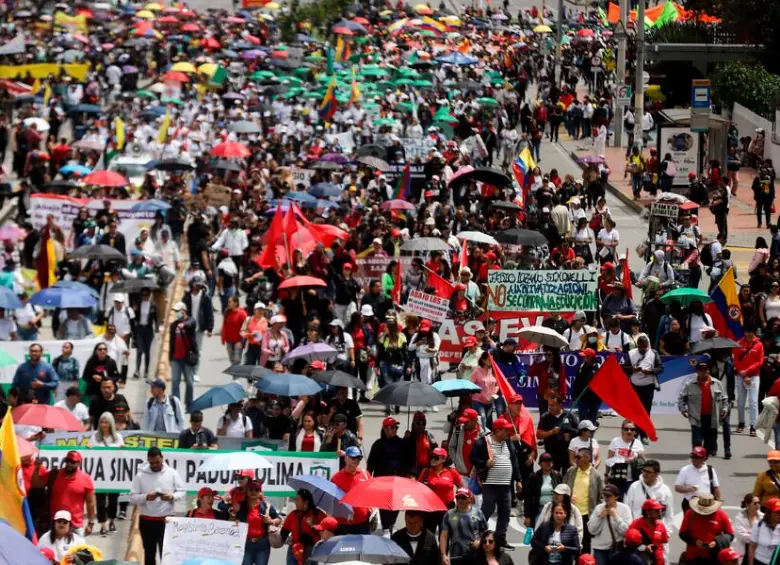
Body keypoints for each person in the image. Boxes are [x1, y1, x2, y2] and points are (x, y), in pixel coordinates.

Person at [470, 417, 522, 551]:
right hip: (490, 484)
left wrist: (518, 479)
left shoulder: (508, 442)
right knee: (487, 510)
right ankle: (478, 536)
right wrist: (484, 463)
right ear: (497, 430)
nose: (508, 433)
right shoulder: (483, 442)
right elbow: (473, 458)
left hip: (506, 485)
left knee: (505, 513)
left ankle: (500, 540)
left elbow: (514, 461)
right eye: (506, 430)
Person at [128, 447, 186, 565]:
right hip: (147, 520)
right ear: (148, 460)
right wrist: (146, 497)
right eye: (152, 463)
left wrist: (172, 497)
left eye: (157, 462)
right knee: (149, 554)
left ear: (162, 458)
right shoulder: (140, 476)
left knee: (166, 555)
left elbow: (182, 491)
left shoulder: (172, 473)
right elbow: (132, 497)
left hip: (166, 520)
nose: (155, 465)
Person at [678, 360, 728, 455]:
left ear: (709, 371)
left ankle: (707, 453)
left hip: (712, 415)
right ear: (697, 371)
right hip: (696, 416)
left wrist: (725, 409)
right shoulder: (689, 384)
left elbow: (724, 398)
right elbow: (681, 398)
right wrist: (683, 409)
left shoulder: (717, 383)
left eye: (705, 369)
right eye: (701, 370)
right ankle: (697, 455)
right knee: (697, 439)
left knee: (710, 438)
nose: (703, 372)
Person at [89, 412, 124, 536]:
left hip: (114, 474)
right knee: (100, 500)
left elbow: (122, 453)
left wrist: (122, 449)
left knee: (114, 499)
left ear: (111, 423)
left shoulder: (118, 437)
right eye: (102, 422)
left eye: (106, 422)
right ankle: (103, 524)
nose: (104, 425)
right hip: (100, 474)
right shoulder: (94, 437)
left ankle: (112, 521)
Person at [563, 446, 604, 553]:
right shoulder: (571, 471)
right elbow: (563, 488)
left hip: (587, 515)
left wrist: (597, 512)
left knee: (585, 544)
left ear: (587, 458)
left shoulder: (596, 475)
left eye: (578, 457)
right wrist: (567, 498)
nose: (575, 459)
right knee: (568, 542)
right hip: (570, 513)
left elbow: (601, 496)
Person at [625, 335, 663, 445]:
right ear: (638, 346)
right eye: (641, 348)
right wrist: (633, 369)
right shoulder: (631, 353)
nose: (643, 350)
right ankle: (634, 433)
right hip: (634, 386)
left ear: (647, 346)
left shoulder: (654, 353)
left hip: (648, 386)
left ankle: (643, 435)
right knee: (635, 411)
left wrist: (650, 371)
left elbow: (661, 367)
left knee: (646, 412)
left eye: (645, 348)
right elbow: (624, 368)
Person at [233, 479, 281, 565]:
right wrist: (234, 513)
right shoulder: (240, 506)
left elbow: (279, 519)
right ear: (247, 491)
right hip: (245, 544)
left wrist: (271, 521)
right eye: (251, 489)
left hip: (263, 544)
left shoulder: (266, 505)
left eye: (256, 489)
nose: (253, 492)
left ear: (260, 492)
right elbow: (231, 520)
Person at [679, 494, 734, 565]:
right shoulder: (689, 514)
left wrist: (717, 542)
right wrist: (695, 542)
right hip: (694, 556)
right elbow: (682, 533)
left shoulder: (721, 515)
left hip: (714, 557)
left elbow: (730, 535)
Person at [420, 446, 464, 533]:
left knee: (445, 535)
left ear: (443, 459)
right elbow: (418, 488)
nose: (433, 459)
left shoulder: (452, 472)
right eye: (431, 457)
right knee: (428, 535)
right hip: (429, 509)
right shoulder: (426, 472)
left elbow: (462, 488)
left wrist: (460, 503)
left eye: (436, 457)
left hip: (446, 508)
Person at [624, 459, 675, 533]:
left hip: (657, 532)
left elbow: (669, 513)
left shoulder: (665, 490)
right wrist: (631, 529)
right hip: (639, 531)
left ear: (656, 474)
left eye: (649, 472)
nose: (645, 474)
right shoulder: (634, 487)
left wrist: (667, 531)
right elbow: (627, 509)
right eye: (644, 471)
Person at [440, 487, 488, 565]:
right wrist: (443, 555)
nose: (460, 500)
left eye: (463, 497)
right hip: (456, 555)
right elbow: (444, 536)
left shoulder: (478, 513)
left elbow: (486, 533)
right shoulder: (449, 514)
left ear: (469, 499)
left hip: (475, 554)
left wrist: (480, 542)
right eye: (458, 497)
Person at [588, 484, 633, 565]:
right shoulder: (599, 508)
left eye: (609, 495)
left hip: (616, 548)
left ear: (616, 497)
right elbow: (591, 530)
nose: (606, 498)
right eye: (605, 495)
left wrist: (616, 517)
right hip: (600, 549)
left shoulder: (625, 508)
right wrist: (599, 517)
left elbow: (626, 531)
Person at [331, 446, 372, 534]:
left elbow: (370, 494)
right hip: (343, 523)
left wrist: (371, 507)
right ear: (345, 458)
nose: (356, 460)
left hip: (362, 523)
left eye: (359, 458)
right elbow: (331, 500)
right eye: (353, 457)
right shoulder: (336, 478)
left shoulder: (365, 474)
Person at [280, 489, 326, 565]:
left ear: (306, 502)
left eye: (297, 500)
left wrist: (313, 525)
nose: (295, 502)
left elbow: (326, 533)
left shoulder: (318, 514)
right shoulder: (293, 515)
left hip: (310, 550)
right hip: (294, 549)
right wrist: (288, 539)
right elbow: (283, 533)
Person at [733, 326, 764, 437]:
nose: (748, 334)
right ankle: (741, 423)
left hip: (754, 376)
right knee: (741, 401)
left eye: (750, 332)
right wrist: (742, 372)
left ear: (754, 333)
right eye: (746, 331)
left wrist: (747, 371)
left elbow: (760, 362)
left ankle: (753, 426)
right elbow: (736, 359)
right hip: (741, 375)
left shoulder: (759, 345)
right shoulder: (739, 343)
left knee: (753, 402)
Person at [537, 392, 579, 473]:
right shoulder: (545, 417)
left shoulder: (570, 416)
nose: (550, 407)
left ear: (560, 405)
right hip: (552, 455)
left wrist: (570, 436)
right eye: (549, 405)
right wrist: (551, 432)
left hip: (567, 455)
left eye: (552, 405)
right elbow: (538, 435)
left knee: (566, 482)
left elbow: (579, 432)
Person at [530, 501, 581, 565]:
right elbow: (533, 541)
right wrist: (544, 548)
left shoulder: (572, 530)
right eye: (556, 513)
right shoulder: (544, 526)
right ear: (552, 513)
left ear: (565, 514)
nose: (558, 515)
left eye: (561, 513)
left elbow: (577, 549)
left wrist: (564, 548)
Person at [605, 420, 646, 499]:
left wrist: (634, 459)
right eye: (626, 429)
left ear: (635, 432)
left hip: (632, 479)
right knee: (617, 501)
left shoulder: (638, 443)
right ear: (622, 430)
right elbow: (609, 460)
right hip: (617, 478)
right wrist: (606, 475)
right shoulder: (615, 441)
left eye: (632, 429)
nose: (629, 431)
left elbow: (643, 462)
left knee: (631, 502)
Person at [674, 447, 722, 513]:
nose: (693, 459)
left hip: (707, 505)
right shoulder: (685, 470)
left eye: (696, 457)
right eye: (692, 456)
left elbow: (716, 488)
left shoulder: (710, 470)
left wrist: (718, 506)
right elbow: (677, 487)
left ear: (704, 458)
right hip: (689, 505)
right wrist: (688, 489)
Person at [169, 301, 198, 408]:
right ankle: (176, 405)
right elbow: (171, 342)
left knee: (189, 382)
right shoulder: (173, 325)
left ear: (184, 311)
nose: (176, 313)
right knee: (175, 383)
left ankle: (189, 403)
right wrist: (170, 358)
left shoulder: (190, 322)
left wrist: (184, 324)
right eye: (175, 311)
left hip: (187, 358)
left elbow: (192, 323)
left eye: (178, 311)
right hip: (176, 358)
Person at [524, 452, 563, 528]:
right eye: (545, 461)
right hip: (538, 510)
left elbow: (562, 494)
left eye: (549, 461)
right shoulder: (533, 477)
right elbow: (528, 497)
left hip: (554, 510)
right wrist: (527, 516)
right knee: (538, 534)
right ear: (540, 464)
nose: (547, 463)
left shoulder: (557, 475)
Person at [628, 499, 670, 565]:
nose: (659, 513)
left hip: (658, 561)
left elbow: (665, 541)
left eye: (659, 510)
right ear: (648, 512)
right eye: (656, 510)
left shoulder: (661, 525)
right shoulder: (636, 524)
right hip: (641, 560)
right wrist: (644, 547)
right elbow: (629, 542)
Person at [747, 497, 780, 565]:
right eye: (777, 512)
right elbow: (752, 547)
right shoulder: (758, 525)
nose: (779, 514)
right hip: (760, 561)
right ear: (769, 512)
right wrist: (751, 563)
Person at [572, 348, 601, 424]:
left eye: (585, 356)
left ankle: (591, 435)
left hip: (595, 399)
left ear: (590, 357)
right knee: (583, 419)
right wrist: (575, 397)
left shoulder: (599, 368)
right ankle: (583, 434)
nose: (583, 358)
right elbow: (577, 383)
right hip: (582, 398)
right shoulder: (581, 367)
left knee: (592, 419)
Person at [733, 494, 763, 559]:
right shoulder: (739, 517)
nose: (758, 505)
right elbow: (740, 535)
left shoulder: (763, 517)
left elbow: (764, 534)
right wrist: (756, 537)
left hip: (758, 550)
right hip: (743, 548)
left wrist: (750, 534)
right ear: (747, 504)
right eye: (755, 503)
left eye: (759, 503)